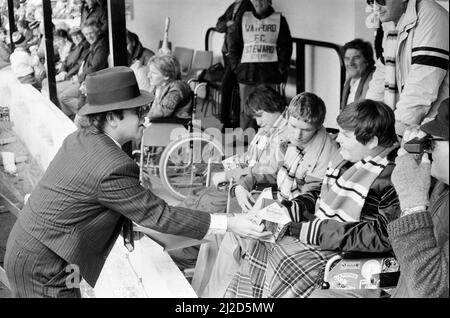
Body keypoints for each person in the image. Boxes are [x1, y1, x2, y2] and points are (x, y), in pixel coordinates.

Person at [3, 66, 271, 298]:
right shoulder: (111, 165)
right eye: (137, 111)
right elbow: (159, 214)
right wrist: (231, 223)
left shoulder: (80, 140)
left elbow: (98, 203)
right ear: (111, 117)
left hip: (32, 251)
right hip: (44, 266)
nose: (144, 117)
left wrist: (131, 224)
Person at [225, 99, 401, 298]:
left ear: (372, 142)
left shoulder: (394, 174)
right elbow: (320, 193)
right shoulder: (347, 159)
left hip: (361, 256)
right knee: (261, 241)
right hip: (333, 237)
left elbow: (384, 234)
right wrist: (289, 208)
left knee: (284, 258)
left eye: (345, 135)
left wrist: (317, 231)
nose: (338, 140)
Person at [198, 92, 339, 298]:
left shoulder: (326, 153)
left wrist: (272, 213)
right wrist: (243, 183)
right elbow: (272, 172)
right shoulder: (292, 142)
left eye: (305, 130)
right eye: (293, 126)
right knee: (218, 233)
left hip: (295, 220)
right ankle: (201, 293)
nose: (297, 134)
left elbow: (310, 201)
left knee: (232, 234)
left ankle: (217, 297)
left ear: (318, 126)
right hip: (278, 208)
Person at [172, 85, 290, 276]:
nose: (258, 122)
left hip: (253, 186)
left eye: (260, 115)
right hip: (243, 177)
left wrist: (230, 174)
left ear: (273, 106)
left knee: (208, 202)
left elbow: (269, 170)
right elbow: (250, 157)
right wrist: (226, 164)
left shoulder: (285, 134)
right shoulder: (269, 128)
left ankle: (187, 251)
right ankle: (177, 237)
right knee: (197, 194)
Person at [387, 98, 449, 298]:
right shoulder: (442, 186)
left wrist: (413, 204)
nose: (428, 150)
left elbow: (430, 290)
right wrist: (412, 153)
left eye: (431, 142)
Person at [365, 0, 449, 136]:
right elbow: (380, 77)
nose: (375, 6)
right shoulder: (391, 23)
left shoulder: (432, 16)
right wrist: (364, 119)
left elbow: (421, 88)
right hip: (413, 127)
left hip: (437, 129)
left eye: (380, 0)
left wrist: (392, 136)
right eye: (370, 0)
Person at [228, 0, 292, 130]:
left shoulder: (279, 20)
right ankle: (247, 140)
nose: (258, 2)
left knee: (268, 110)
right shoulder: (243, 18)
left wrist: (280, 69)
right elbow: (233, 44)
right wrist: (236, 67)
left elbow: (286, 46)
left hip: (269, 75)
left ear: (269, 1)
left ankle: (268, 141)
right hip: (246, 74)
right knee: (246, 109)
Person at [58, 19, 108, 118]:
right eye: (86, 34)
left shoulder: (101, 45)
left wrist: (80, 78)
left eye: (91, 33)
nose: (89, 36)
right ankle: (78, 115)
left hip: (93, 82)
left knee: (64, 97)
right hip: (85, 80)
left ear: (97, 31)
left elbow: (95, 67)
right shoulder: (94, 44)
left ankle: (84, 114)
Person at [215, 0, 253, 130]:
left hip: (238, 55)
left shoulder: (248, 5)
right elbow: (218, 26)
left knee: (227, 86)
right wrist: (227, 24)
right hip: (227, 53)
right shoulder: (232, 6)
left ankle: (227, 122)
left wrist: (230, 26)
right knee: (232, 87)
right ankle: (231, 121)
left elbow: (239, 30)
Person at [146, 54, 192, 119]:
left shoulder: (177, 88)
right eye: (149, 72)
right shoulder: (159, 85)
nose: (148, 76)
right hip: (161, 124)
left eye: (153, 73)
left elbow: (160, 113)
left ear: (166, 75)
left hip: (176, 126)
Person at [340, 38, 376, 109]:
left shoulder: (374, 82)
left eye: (356, 58)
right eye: (347, 58)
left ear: (367, 61)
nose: (350, 63)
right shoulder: (349, 82)